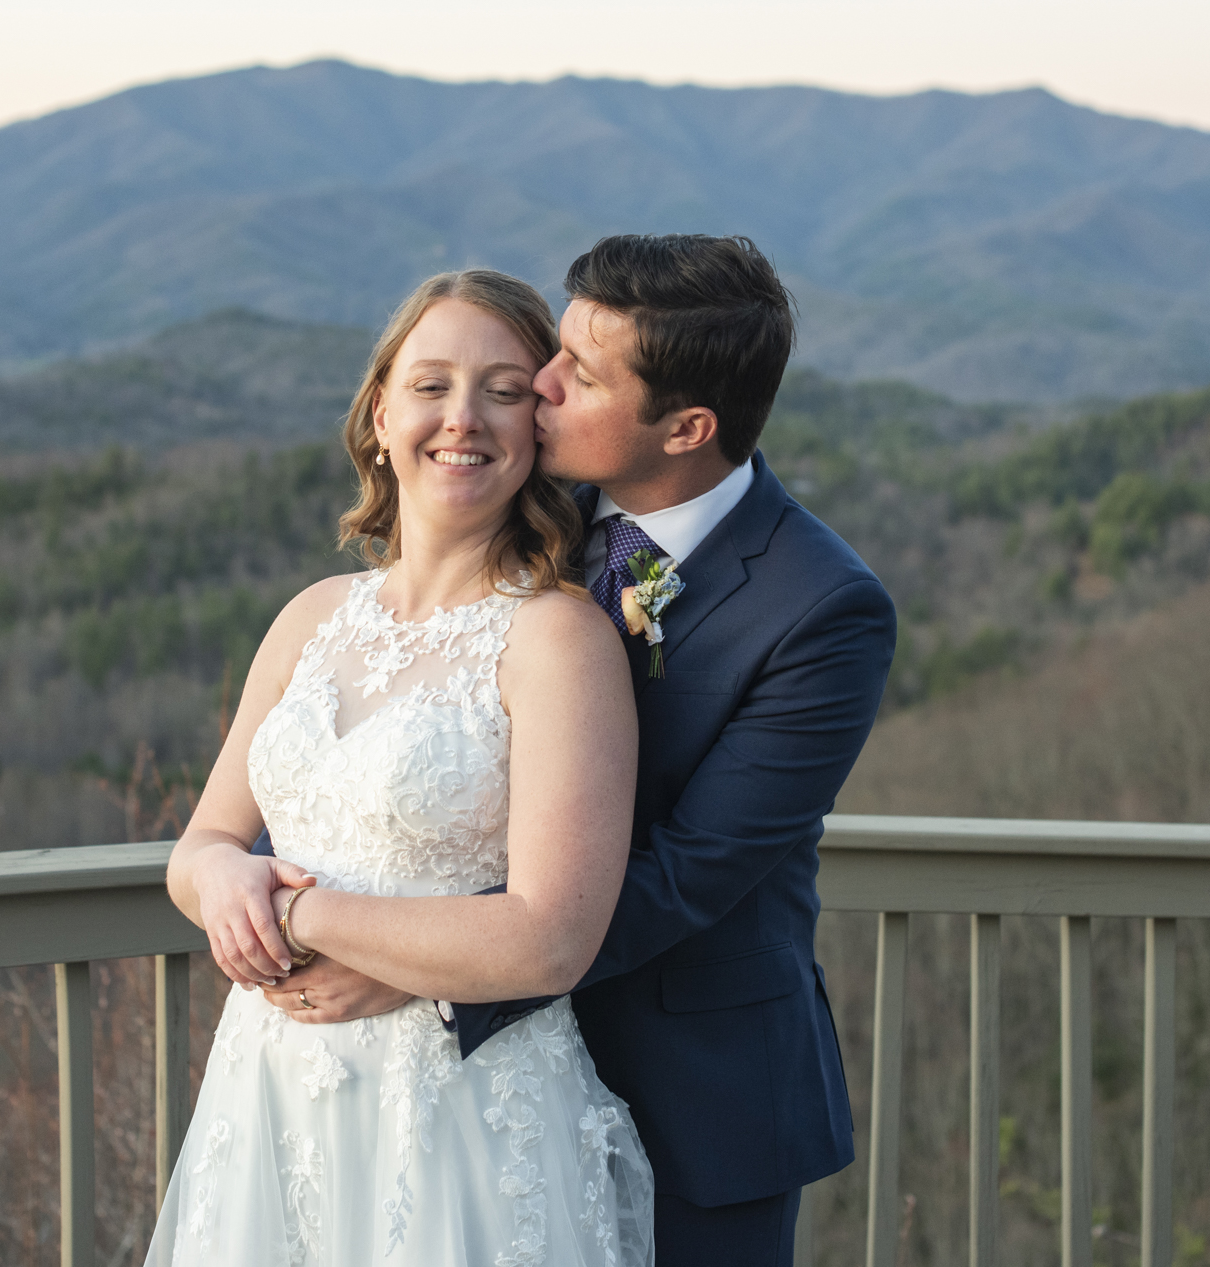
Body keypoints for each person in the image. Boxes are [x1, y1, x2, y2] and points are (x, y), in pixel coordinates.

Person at [254, 234, 898, 1266]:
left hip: (695, 1087)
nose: (539, 387)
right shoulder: (538, 517)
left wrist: (421, 962)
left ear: (686, 426)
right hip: (467, 1099)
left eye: (578, 375)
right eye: (556, 352)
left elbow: (690, 872)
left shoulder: (820, 610)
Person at [148, 269, 655, 1266]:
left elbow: (549, 938)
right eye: (430, 385)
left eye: (504, 390)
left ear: (536, 430)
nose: (460, 418)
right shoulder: (310, 616)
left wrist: (300, 918)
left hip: (457, 1115)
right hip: (269, 1096)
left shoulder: (558, 639)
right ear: (379, 414)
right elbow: (200, 843)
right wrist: (224, 877)